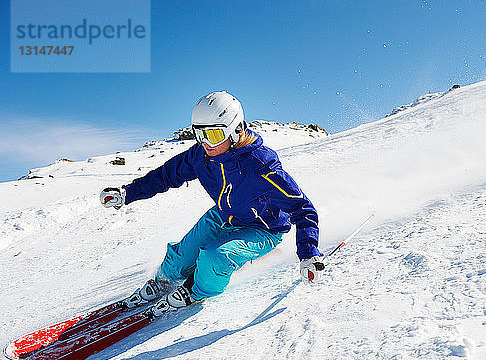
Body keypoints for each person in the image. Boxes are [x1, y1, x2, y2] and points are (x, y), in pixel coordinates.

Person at [100, 91, 323, 316]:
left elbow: (302, 208)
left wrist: (308, 253)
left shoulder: (260, 165)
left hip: (263, 229)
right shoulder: (202, 155)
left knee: (215, 258)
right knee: (180, 259)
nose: (206, 143)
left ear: (235, 130)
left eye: (214, 135)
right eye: (199, 134)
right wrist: (127, 193)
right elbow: (166, 175)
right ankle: (163, 282)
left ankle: (195, 291)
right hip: (223, 215)